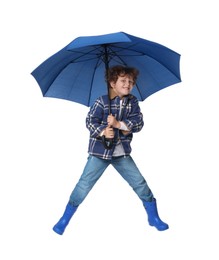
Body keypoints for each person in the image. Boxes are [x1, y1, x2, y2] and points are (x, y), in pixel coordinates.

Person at [53, 65, 169, 235]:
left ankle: (153, 217)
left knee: (139, 183)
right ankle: (65, 218)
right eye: (123, 80)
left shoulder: (133, 102)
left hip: (121, 153)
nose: (128, 84)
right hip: (100, 153)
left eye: (131, 81)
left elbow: (138, 123)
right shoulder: (101, 101)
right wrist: (102, 131)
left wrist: (118, 125)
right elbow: (90, 121)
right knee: (84, 185)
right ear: (113, 83)